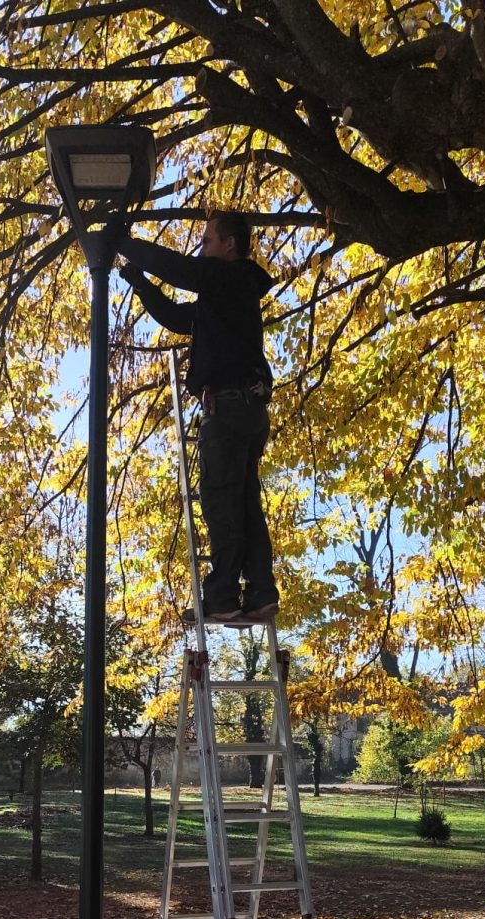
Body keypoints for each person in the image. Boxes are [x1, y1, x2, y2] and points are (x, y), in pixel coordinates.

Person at [117, 211, 278, 625]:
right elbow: (177, 318)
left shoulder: (231, 278)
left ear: (229, 244)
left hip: (228, 408)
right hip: (248, 408)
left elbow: (183, 270)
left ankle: (222, 595)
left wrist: (125, 241)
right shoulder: (227, 297)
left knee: (222, 501)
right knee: (245, 502)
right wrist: (140, 283)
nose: (201, 250)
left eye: (207, 241)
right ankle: (260, 591)